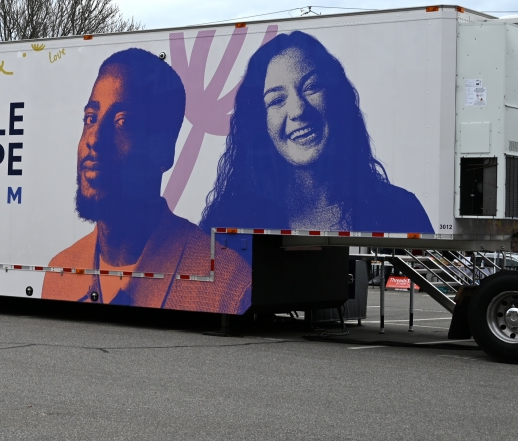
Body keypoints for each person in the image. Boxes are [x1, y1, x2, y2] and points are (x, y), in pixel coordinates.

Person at [42, 48, 251, 313]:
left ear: (163, 151)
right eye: (90, 118)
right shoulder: (59, 273)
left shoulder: (229, 286)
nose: (93, 139)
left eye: (122, 121)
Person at [200, 31, 433, 234]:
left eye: (311, 87)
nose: (298, 110)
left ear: (337, 98)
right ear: (259, 122)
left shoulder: (401, 210)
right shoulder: (228, 220)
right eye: (277, 100)